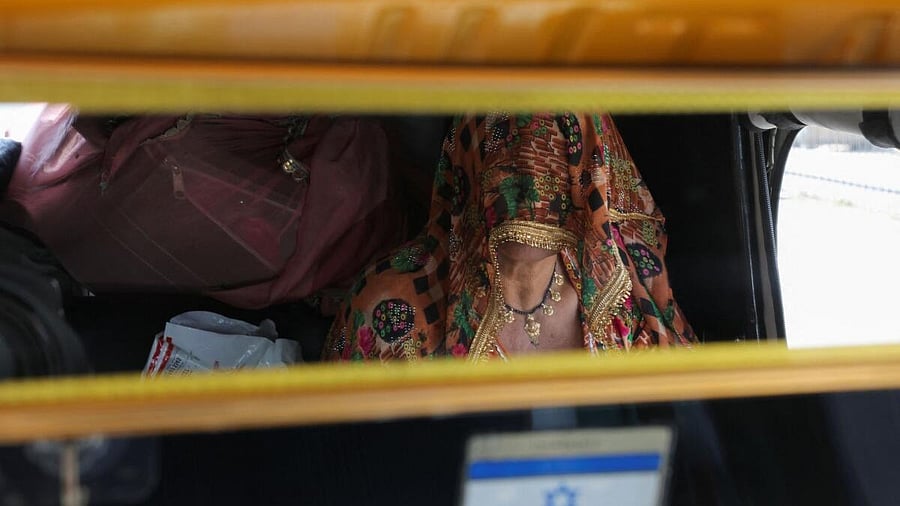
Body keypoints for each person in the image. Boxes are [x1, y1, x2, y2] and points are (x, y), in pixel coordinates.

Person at [323, 112, 695, 362]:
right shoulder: (388, 309)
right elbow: (347, 449)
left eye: (549, 155)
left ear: (587, 176)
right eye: (506, 152)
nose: (528, 195)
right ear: (471, 162)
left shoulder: (628, 297)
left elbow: (681, 432)